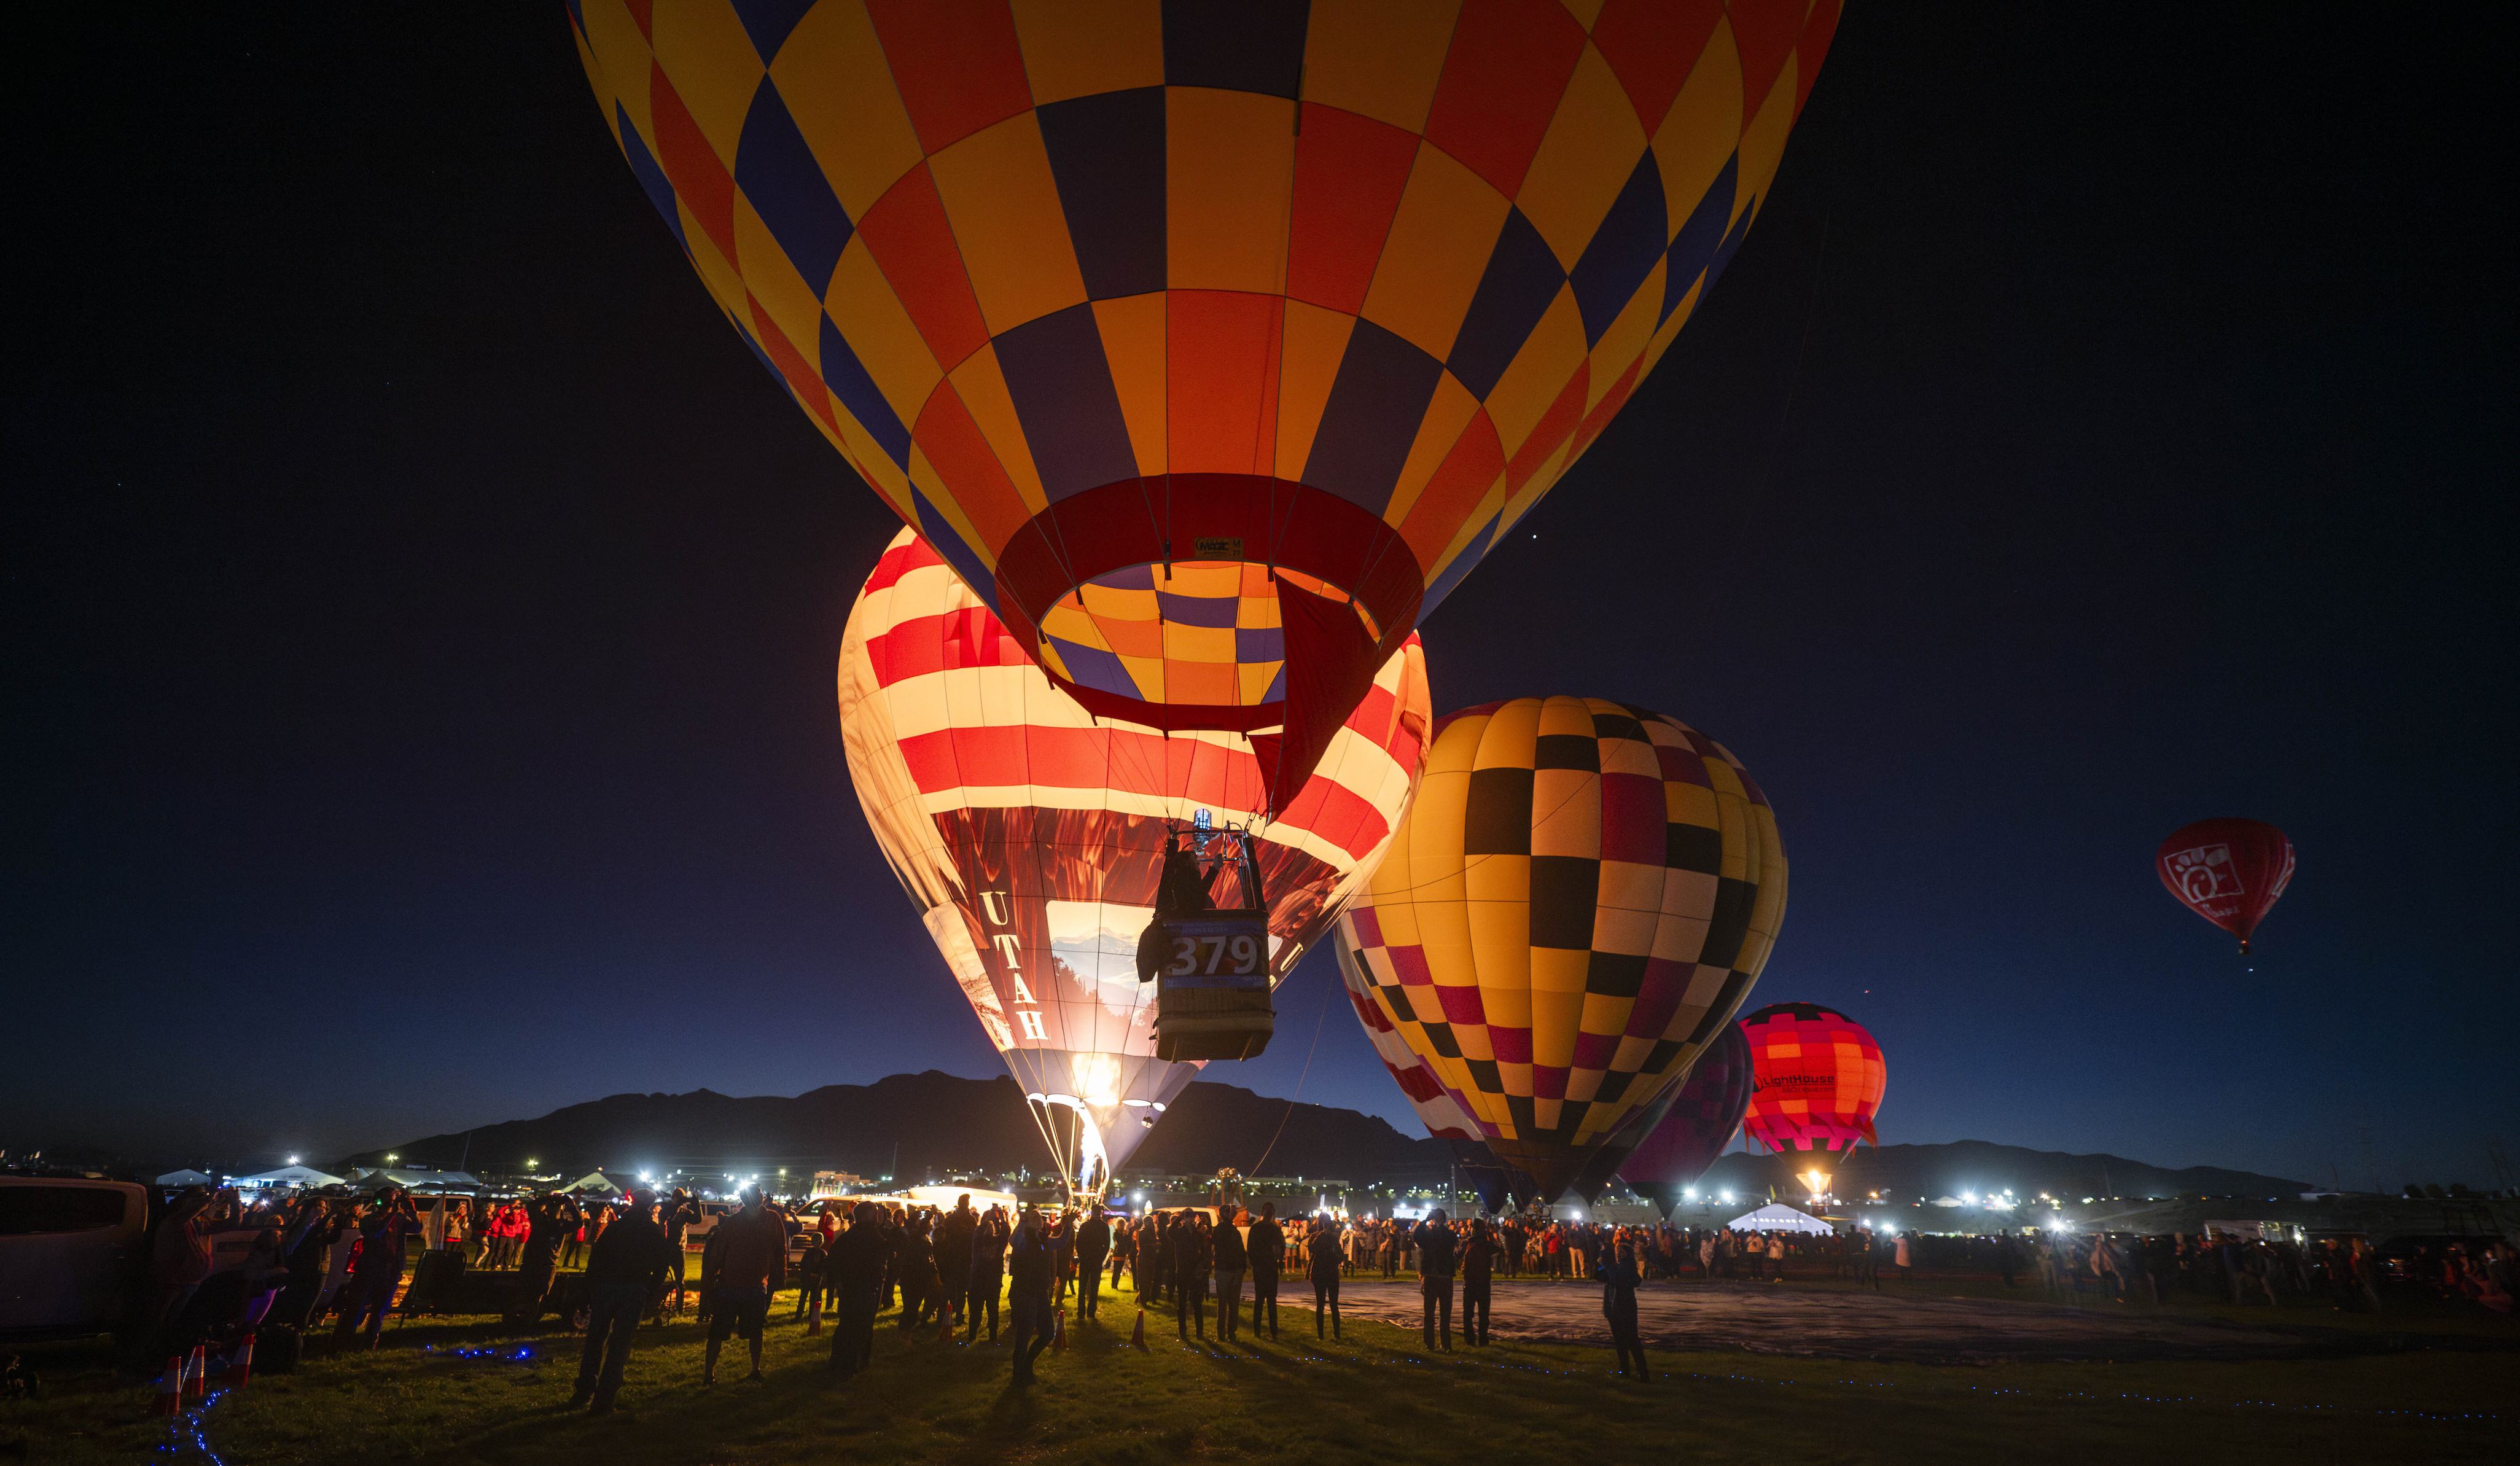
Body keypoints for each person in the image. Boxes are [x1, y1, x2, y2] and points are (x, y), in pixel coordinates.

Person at [572, 1186, 674, 1414]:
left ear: (632, 1201)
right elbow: (661, 1265)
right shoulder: (653, 1230)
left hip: (606, 1288)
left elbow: (596, 1260)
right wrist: (649, 1288)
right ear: (650, 1204)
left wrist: (588, 1292)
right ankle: (604, 1400)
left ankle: (584, 1391)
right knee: (619, 1346)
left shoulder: (617, 1227)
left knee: (595, 1341)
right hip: (633, 1290)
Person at [701, 1187, 786, 1386]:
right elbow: (720, 1252)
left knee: (751, 1331)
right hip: (735, 1286)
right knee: (723, 1333)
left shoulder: (768, 1219)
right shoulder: (738, 1222)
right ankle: (711, 1373)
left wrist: (780, 1274)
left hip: (748, 1286)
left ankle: (746, 1370)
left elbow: (779, 1250)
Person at [827, 1203, 887, 1378]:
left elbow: (833, 1263)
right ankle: (852, 1363)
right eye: (875, 1214)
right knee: (860, 1327)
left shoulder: (848, 1238)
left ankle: (839, 1360)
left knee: (846, 1325)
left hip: (850, 1289)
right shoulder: (873, 1238)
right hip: (864, 1288)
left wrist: (838, 1283)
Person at [1007, 1208, 1055, 1386]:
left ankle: (1026, 1365)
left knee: (1049, 1332)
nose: (1040, 1219)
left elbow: (1062, 1242)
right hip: (1024, 1292)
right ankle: (1017, 1376)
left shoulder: (1042, 1239)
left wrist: (1068, 1226)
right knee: (1024, 1337)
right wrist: (1023, 1221)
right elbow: (1012, 1240)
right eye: (1035, 1216)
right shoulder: (1023, 1240)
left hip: (1040, 1293)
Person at [1603, 1232, 1648, 1381]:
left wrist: (1608, 1265)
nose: (1618, 1254)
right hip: (1613, 1308)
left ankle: (1643, 1373)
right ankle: (1625, 1370)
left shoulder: (1627, 1268)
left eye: (1620, 1252)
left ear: (1627, 1254)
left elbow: (1619, 1279)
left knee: (1632, 1341)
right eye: (1616, 1252)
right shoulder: (1615, 1268)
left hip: (1625, 1308)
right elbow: (1599, 1276)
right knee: (1620, 1342)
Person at [1414, 1211, 1457, 1351]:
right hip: (1440, 1277)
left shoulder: (1433, 1235)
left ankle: (1432, 1344)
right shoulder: (1444, 1234)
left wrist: (1425, 1221)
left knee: (1433, 1314)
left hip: (1437, 1277)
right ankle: (1443, 1345)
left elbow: (1417, 1236)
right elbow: (1417, 1237)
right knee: (1440, 1314)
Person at [935, 1196, 978, 1333]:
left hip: (959, 1260)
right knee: (955, 1290)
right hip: (956, 1260)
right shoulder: (962, 1220)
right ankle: (951, 1316)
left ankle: (952, 1316)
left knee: (955, 1291)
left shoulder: (965, 1220)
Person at [967, 1206, 1009, 1343]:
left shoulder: (977, 1241)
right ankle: (992, 1338)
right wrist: (1000, 1218)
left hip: (978, 1281)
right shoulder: (999, 1244)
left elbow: (979, 1231)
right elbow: (1006, 1232)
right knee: (992, 1311)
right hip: (993, 1282)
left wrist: (990, 1219)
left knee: (976, 1311)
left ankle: (972, 1336)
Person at [1247, 1204, 1284, 1341]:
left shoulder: (1256, 1229)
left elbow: (1250, 1249)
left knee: (1260, 1300)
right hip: (1269, 1268)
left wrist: (1255, 1264)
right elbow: (1279, 1249)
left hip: (1262, 1268)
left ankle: (1258, 1331)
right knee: (1270, 1301)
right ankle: (1272, 1331)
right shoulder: (1274, 1229)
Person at [1461, 1217, 1500, 1346]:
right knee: (1483, 1314)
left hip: (1472, 1282)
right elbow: (1498, 1248)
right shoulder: (1484, 1243)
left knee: (1468, 1313)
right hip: (1481, 1282)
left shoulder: (1469, 1243)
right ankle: (1482, 1338)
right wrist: (1490, 1234)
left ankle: (1470, 1337)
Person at [1175, 1212, 1213, 1339]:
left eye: (1191, 1217)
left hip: (1194, 1271)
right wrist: (1179, 1218)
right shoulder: (1180, 1233)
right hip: (1183, 1271)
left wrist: (1201, 1266)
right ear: (1184, 1219)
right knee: (1182, 1303)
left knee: (1197, 1303)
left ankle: (1199, 1333)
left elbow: (1204, 1252)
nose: (1190, 1220)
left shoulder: (1197, 1235)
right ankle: (1183, 1331)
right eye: (1188, 1217)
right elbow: (1170, 1232)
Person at [1213, 1208, 1248, 1341]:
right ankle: (1227, 1334)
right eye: (1230, 1213)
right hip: (1227, 1270)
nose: (1233, 1215)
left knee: (1227, 1305)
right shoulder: (1225, 1230)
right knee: (1228, 1304)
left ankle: (1226, 1333)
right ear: (1224, 1215)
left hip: (1229, 1270)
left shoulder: (1225, 1229)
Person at [1307, 1218, 1343, 1339]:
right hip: (1323, 1273)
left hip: (1328, 1273)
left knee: (1331, 1305)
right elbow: (1312, 1249)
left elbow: (1340, 1256)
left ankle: (1335, 1334)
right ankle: (1323, 1335)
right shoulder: (1318, 1237)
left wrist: (1333, 1257)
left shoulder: (1332, 1238)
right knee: (1323, 1304)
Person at [1075, 1207, 1110, 1322]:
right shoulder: (1102, 1226)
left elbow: (1079, 1243)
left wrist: (1082, 1256)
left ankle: (1084, 1312)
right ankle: (1088, 1312)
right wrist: (1100, 1257)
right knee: (1091, 1287)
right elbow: (1106, 1243)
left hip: (1089, 1259)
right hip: (1093, 1259)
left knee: (1086, 1286)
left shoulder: (1087, 1226)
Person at [794, 1233, 829, 1320]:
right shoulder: (821, 1253)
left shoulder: (819, 1253)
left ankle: (808, 1316)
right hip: (811, 1278)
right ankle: (805, 1316)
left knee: (811, 1298)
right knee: (807, 1297)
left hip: (812, 1279)